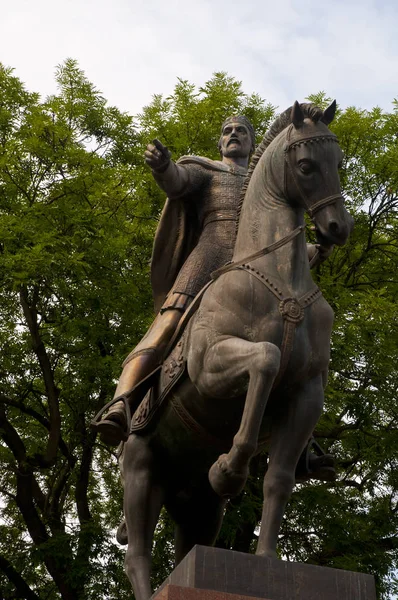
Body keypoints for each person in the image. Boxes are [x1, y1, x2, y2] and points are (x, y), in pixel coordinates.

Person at [92, 114, 334, 483]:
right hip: (207, 265)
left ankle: (301, 448)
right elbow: (177, 182)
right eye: (227, 131)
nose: (234, 135)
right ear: (220, 144)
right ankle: (121, 404)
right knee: (166, 326)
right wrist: (163, 167)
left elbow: (284, 241)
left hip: (261, 282)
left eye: (242, 132)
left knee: (302, 346)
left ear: (255, 145)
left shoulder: (272, 183)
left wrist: (316, 247)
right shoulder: (207, 171)